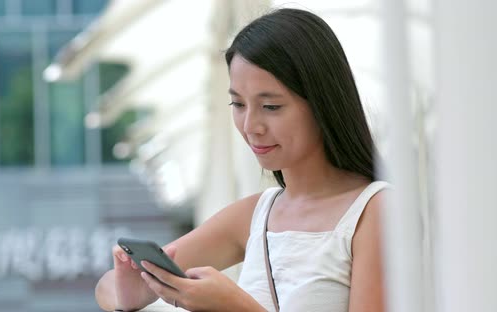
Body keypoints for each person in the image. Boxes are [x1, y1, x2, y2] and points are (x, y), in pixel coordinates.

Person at [95, 8, 389, 312]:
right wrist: (131, 292)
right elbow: (105, 287)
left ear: (322, 102)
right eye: (237, 104)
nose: (251, 126)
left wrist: (233, 305)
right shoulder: (255, 214)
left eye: (271, 106)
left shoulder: (374, 211)